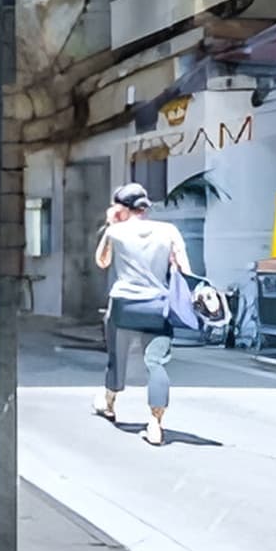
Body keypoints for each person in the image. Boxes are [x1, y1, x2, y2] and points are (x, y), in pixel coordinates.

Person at [93, 182, 191, 445]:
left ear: (123, 209)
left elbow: (102, 261)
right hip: (157, 305)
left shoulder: (116, 231)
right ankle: (156, 424)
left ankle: (110, 402)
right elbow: (183, 267)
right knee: (156, 363)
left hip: (124, 303)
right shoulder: (169, 231)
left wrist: (110, 228)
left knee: (117, 356)